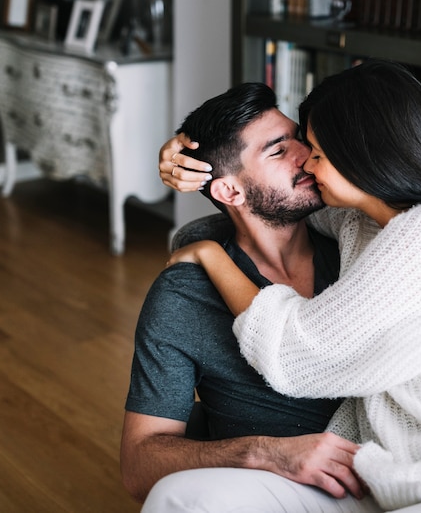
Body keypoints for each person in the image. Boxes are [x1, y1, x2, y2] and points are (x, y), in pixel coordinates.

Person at [154, 59, 421, 512]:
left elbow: (293, 352)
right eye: (285, 149)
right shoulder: (366, 221)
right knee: (177, 496)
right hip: (379, 465)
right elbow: (264, 216)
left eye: (312, 148)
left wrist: (211, 256)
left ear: (359, 152)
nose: (304, 160)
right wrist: (198, 165)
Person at [121, 82, 377, 506]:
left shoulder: (358, 241)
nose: (307, 155)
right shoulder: (183, 293)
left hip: (394, 462)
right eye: (278, 151)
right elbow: (138, 464)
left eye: (300, 138)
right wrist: (264, 452)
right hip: (278, 487)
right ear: (229, 191)